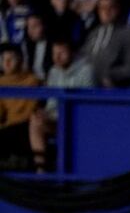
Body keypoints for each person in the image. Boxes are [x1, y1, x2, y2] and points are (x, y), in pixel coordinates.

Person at [32, 39, 94, 172]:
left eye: (62, 53)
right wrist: (45, 113)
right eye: (54, 53)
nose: (57, 57)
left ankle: (64, 171)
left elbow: (87, 104)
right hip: (56, 118)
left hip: (78, 120)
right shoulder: (53, 71)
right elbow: (51, 102)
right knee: (35, 120)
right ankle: (40, 169)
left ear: (72, 52)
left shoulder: (86, 70)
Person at [80, 0, 130, 88]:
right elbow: (83, 58)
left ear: (118, 9)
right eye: (102, 8)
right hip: (89, 87)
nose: (106, 11)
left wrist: (111, 75)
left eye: (111, 7)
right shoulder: (94, 33)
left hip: (114, 90)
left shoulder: (128, 34)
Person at [0, 43, 40, 170]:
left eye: (11, 59)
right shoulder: (1, 82)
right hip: (6, 125)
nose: (7, 62)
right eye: (3, 59)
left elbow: (30, 110)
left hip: (24, 124)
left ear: (20, 60)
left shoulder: (32, 81)